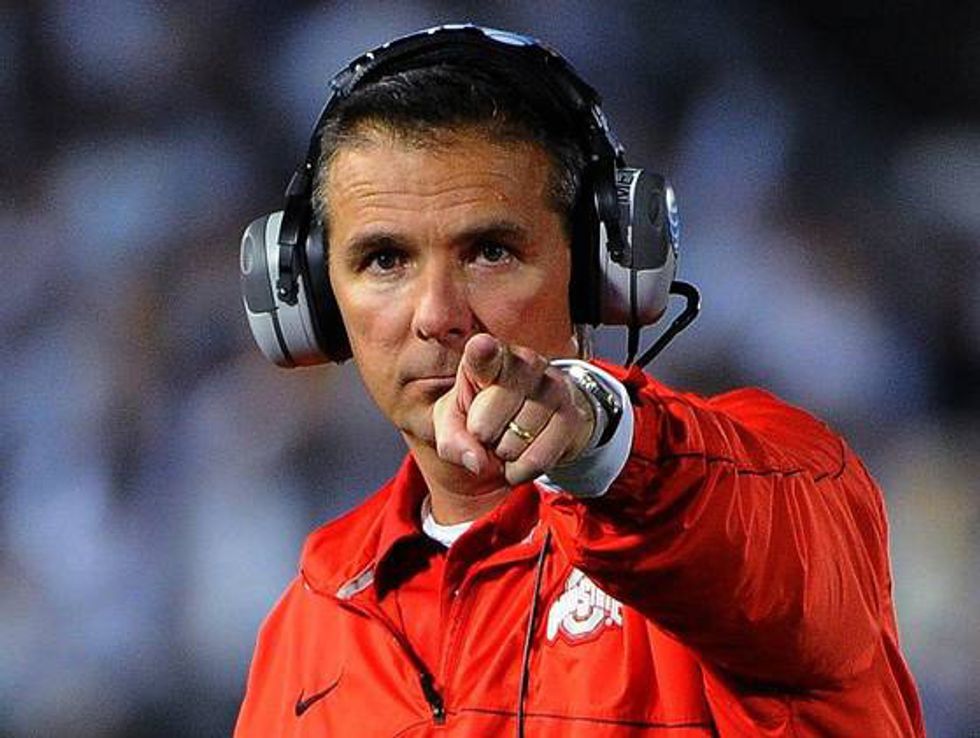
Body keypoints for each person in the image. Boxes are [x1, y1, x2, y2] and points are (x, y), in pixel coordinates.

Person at [234, 26, 924, 737]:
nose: (436, 315)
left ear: (602, 266)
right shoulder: (312, 620)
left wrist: (603, 438)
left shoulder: (778, 490)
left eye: (490, 251)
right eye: (384, 260)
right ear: (314, 297)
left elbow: (770, 548)